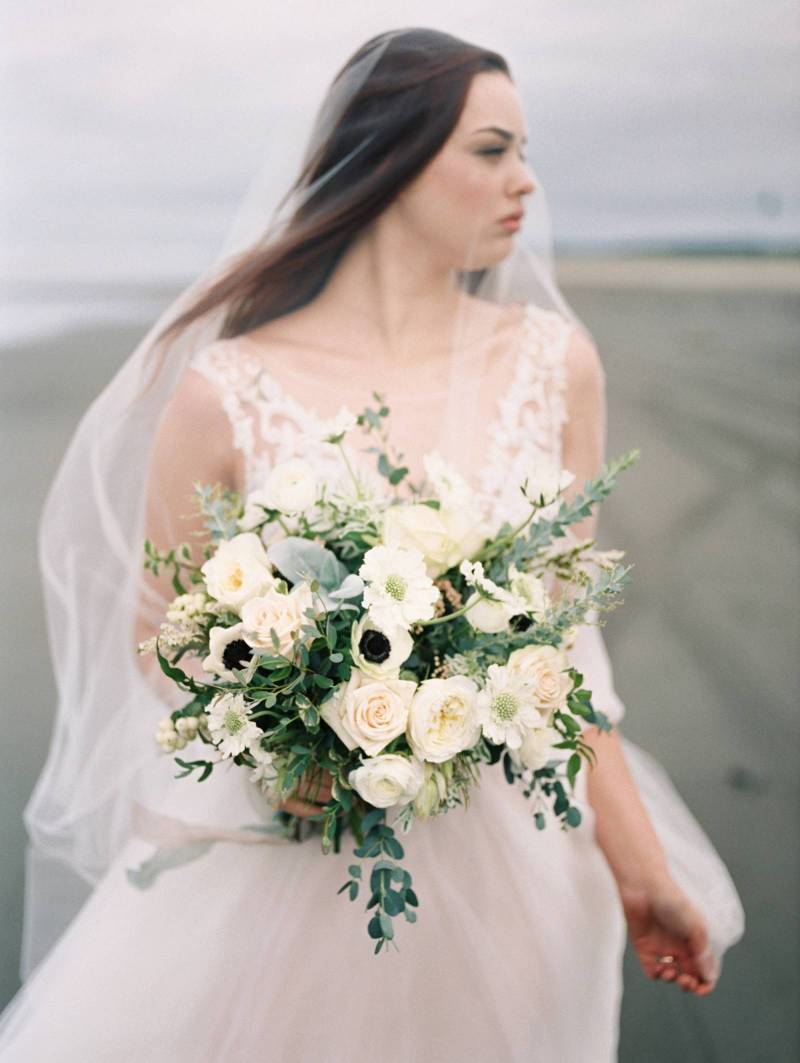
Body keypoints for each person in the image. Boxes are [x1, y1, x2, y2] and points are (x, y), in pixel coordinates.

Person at [0, 27, 743, 1061]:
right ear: (388, 157)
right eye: (490, 150)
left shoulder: (553, 362)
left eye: (525, 151)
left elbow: (567, 656)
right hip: (293, 859)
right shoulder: (227, 390)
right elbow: (158, 630)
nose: (524, 181)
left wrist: (636, 866)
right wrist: (282, 734)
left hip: (516, 866)